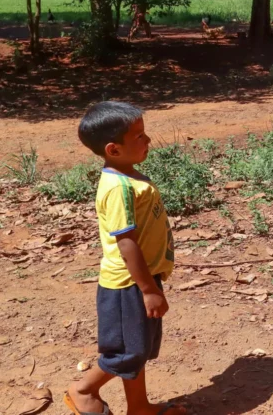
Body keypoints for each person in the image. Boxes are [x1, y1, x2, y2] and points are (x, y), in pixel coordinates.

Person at [66, 101, 185, 415]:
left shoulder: (127, 176)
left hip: (142, 277)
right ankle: (83, 389)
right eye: (139, 136)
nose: (148, 141)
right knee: (125, 353)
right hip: (127, 285)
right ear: (113, 150)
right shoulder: (117, 187)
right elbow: (126, 243)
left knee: (139, 349)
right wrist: (147, 290)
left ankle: (139, 407)